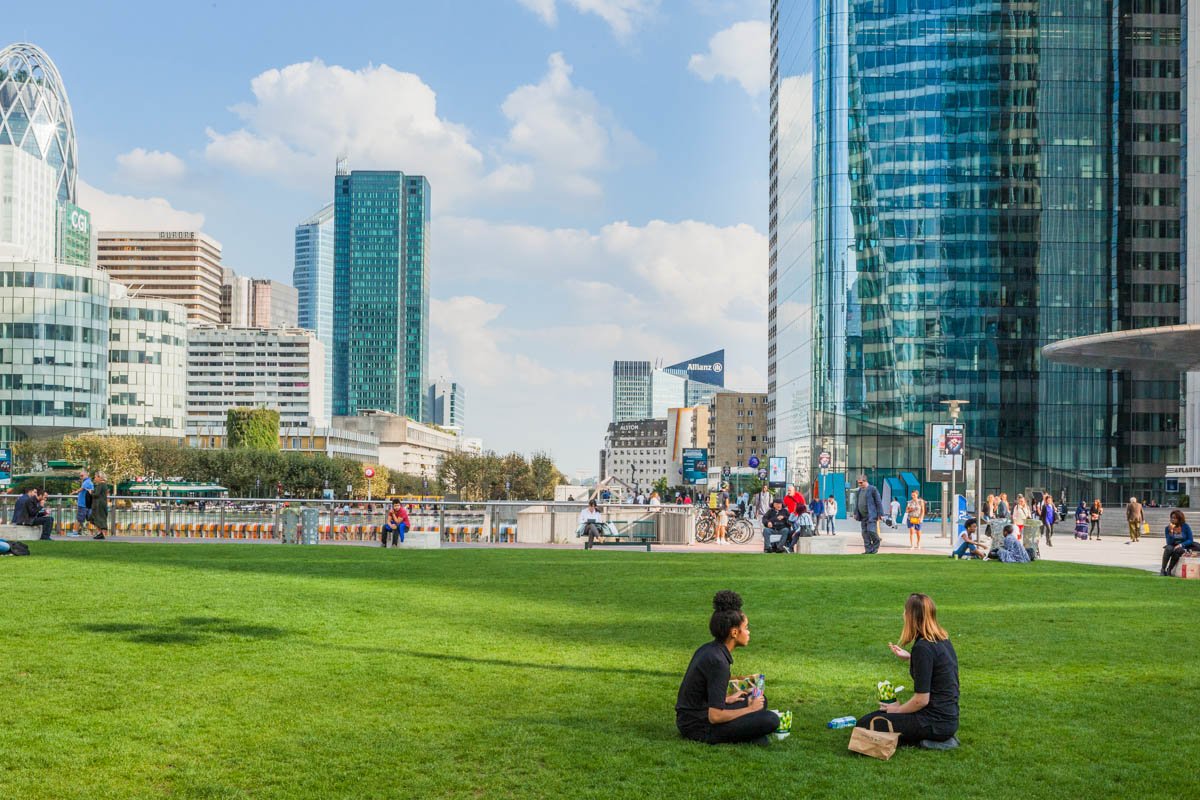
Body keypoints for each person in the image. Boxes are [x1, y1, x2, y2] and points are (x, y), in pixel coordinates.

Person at [675, 590, 780, 745]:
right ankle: (750, 735)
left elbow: (700, 693)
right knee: (771, 719)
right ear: (734, 632)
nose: (749, 632)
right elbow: (715, 717)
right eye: (746, 627)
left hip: (693, 716)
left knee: (759, 700)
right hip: (698, 726)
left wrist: (725, 699)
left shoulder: (709, 649)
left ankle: (751, 733)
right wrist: (749, 710)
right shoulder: (718, 662)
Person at [856, 593, 959, 747]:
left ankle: (936, 741)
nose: (903, 615)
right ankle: (937, 738)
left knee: (865, 724)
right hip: (947, 718)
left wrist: (897, 710)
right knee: (877, 716)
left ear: (912, 616)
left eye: (905, 611)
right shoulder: (942, 640)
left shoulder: (923, 648)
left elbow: (921, 700)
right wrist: (911, 658)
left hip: (933, 721)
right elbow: (937, 670)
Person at [1161, 510, 1198, 576]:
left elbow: (1190, 540)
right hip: (1172, 545)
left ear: (1179, 519)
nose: (1172, 519)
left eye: (1174, 518)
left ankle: (1169, 569)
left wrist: (1181, 544)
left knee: (1179, 550)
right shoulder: (1167, 528)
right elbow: (1169, 542)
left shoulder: (1185, 527)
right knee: (1168, 548)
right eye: (1171, 517)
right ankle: (1163, 569)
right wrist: (1171, 532)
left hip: (1183, 546)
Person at [853, 475, 883, 554]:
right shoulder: (859, 490)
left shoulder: (873, 489)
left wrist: (880, 514)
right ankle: (868, 550)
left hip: (871, 515)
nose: (859, 484)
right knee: (864, 533)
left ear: (865, 481)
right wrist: (855, 513)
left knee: (871, 531)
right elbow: (857, 502)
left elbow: (878, 501)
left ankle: (877, 542)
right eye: (858, 483)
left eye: (861, 483)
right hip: (862, 516)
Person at [91, 472, 110, 540]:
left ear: (100, 477)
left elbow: (96, 494)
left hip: (99, 504)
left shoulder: (101, 485)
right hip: (102, 504)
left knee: (98, 518)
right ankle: (101, 533)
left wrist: (91, 492)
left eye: (96, 477)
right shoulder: (104, 485)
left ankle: (101, 534)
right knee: (99, 518)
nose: (94, 478)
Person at [75, 469, 94, 536]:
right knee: (88, 519)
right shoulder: (89, 481)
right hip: (87, 504)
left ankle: (75, 532)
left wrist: (75, 491)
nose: (81, 477)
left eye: (82, 475)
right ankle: (85, 531)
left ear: (86, 475)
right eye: (80, 476)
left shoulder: (86, 482)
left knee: (79, 519)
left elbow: (81, 489)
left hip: (83, 504)